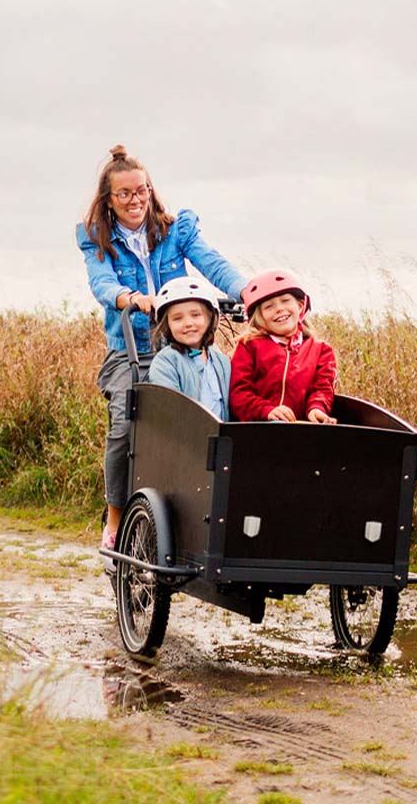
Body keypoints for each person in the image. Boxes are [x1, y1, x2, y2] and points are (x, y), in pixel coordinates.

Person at [77, 144, 246, 555]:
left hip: (181, 341)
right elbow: (101, 282)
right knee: (124, 427)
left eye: (142, 191)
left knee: (218, 409)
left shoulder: (175, 230)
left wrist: (249, 293)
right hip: (130, 348)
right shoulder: (96, 238)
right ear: (109, 200)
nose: (135, 201)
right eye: (125, 194)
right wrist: (131, 298)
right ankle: (116, 513)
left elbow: (214, 264)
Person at [229, 269, 338, 424]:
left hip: (300, 432)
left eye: (285, 300)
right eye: (269, 306)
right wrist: (267, 411)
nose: (279, 309)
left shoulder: (321, 350)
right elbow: (239, 393)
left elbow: (321, 390)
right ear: (259, 317)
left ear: (300, 306)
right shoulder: (249, 346)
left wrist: (317, 409)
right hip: (257, 429)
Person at [147, 276, 231, 420]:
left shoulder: (221, 361)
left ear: (211, 318)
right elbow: (169, 410)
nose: (188, 323)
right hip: (186, 438)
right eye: (177, 318)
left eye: (196, 315)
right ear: (167, 325)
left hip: (221, 438)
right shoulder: (166, 362)